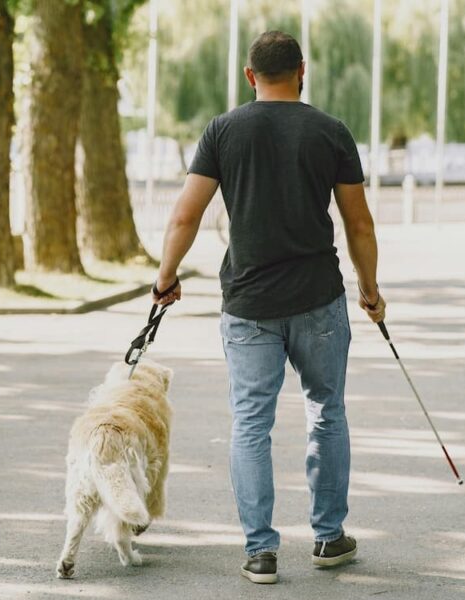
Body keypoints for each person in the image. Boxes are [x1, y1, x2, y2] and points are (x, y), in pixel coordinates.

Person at [150, 30, 385, 585]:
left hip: (249, 303)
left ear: (250, 76)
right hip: (318, 301)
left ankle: (260, 551)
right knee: (327, 411)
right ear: (302, 70)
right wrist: (370, 290)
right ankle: (329, 538)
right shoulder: (331, 132)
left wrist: (165, 279)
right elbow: (359, 222)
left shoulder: (223, 131)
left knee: (250, 423)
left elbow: (184, 216)